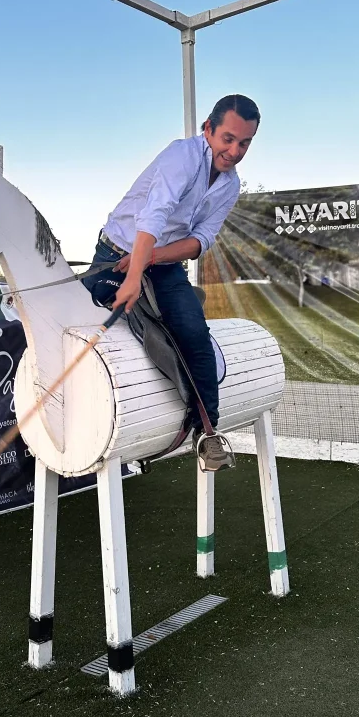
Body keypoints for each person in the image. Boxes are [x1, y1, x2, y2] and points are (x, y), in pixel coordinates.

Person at [83, 94, 260, 472]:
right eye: (228, 138)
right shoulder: (182, 155)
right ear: (208, 129)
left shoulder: (230, 185)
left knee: (194, 331)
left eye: (244, 143)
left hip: (161, 263)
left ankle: (207, 431)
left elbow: (201, 240)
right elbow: (154, 215)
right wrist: (132, 275)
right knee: (81, 324)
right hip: (115, 254)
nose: (234, 150)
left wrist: (148, 261)